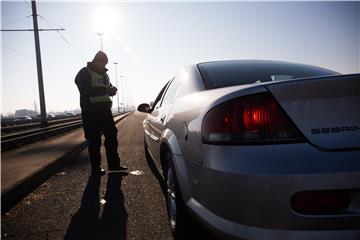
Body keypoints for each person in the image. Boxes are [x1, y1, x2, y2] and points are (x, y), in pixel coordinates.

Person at [75, 51, 127, 175]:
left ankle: (114, 164)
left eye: (105, 64)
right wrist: (105, 89)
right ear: (96, 61)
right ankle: (96, 168)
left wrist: (112, 90)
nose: (104, 66)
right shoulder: (85, 72)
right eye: (102, 63)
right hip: (90, 111)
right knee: (94, 140)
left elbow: (107, 88)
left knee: (112, 136)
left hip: (105, 111)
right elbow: (85, 90)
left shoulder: (105, 75)